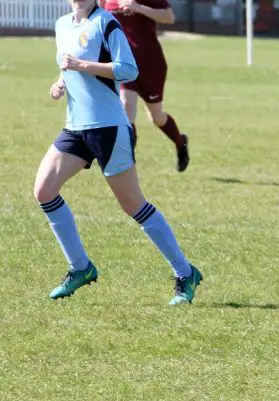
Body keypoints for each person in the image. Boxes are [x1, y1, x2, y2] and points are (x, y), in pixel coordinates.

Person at [39, 0, 203, 305]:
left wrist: (82, 66)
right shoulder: (62, 25)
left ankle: (185, 272)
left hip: (109, 128)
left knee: (133, 205)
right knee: (44, 191)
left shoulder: (106, 23)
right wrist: (60, 83)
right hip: (75, 128)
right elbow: (68, 63)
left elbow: (128, 68)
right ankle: (81, 268)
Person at [100, 0, 190, 172]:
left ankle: (180, 142)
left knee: (157, 117)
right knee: (126, 107)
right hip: (124, 63)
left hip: (151, 63)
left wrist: (137, 7)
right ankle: (126, 163)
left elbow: (169, 17)